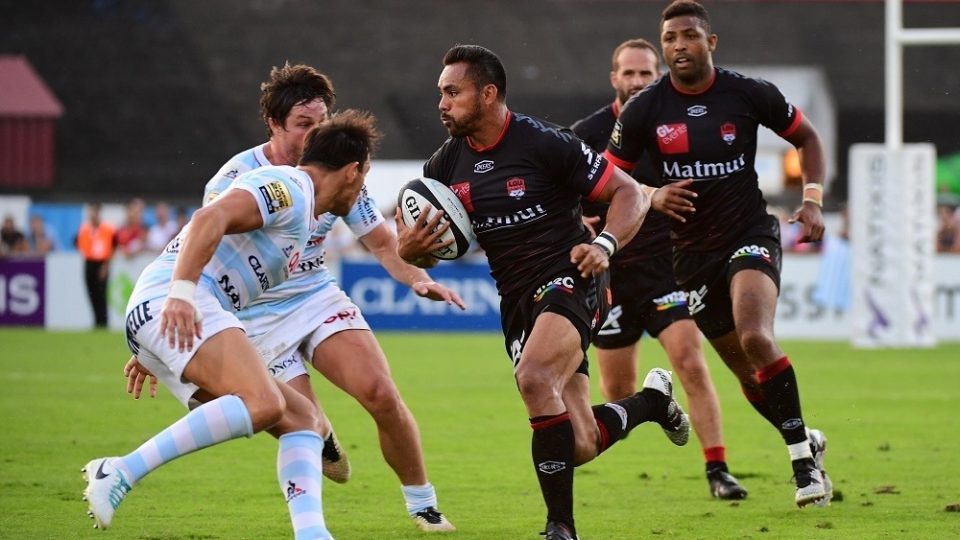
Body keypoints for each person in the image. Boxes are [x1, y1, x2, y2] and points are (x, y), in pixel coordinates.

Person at [397, 44, 690, 540]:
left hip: (572, 275)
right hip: (516, 300)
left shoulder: (545, 143)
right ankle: (651, 404)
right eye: (440, 93)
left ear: (488, 94)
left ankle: (560, 528)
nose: (442, 104)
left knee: (534, 377)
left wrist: (604, 244)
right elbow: (431, 250)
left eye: (453, 92)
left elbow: (628, 192)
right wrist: (412, 250)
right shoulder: (442, 170)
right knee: (577, 443)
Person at [82, 110, 380, 539]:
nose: (363, 188)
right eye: (365, 175)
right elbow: (207, 219)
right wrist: (180, 298)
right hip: (179, 300)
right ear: (353, 171)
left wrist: (154, 344)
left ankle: (313, 534)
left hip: (173, 312)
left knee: (304, 420)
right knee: (264, 403)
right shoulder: (290, 187)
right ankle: (121, 471)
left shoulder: (304, 215)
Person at [199, 62, 462, 531]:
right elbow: (201, 251)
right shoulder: (236, 179)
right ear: (274, 124)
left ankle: (422, 501)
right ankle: (317, 468)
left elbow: (381, 243)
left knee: (381, 394)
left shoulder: (337, 172)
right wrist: (164, 327)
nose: (314, 134)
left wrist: (416, 279)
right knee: (300, 427)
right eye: (302, 125)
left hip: (315, 297)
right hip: (256, 317)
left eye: (320, 123)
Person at [604, 0, 832, 507]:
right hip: (691, 257)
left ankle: (802, 466)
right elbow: (603, 180)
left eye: (688, 35)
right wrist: (649, 194)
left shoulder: (748, 94)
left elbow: (807, 137)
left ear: (711, 42)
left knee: (755, 336)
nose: (679, 45)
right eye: (670, 39)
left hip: (749, 232)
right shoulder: (645, 110)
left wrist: (812, 199)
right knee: (748, 375)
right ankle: (807, 437)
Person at [571, 38, 746, 500]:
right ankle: (654, 405)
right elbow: (560, 195)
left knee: (690, 362)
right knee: (618, 389)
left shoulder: (676, 123)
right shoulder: (586, 133)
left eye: (646, 73)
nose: (637, 81)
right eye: (628, 73)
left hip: (668, 270)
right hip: (609, 273)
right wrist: (581, 223)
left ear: (659, 75)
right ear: (614, 78)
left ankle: (718, 471)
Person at [75, 203, 115, 328]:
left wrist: (106, 265)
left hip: (102, 263)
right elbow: (79, 244)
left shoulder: (107, 229)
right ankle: (97, 321)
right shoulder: (85, 229)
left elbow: (112, 247)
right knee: (91, 293)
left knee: (101, 294)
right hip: (89, 262)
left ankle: (103, 322)